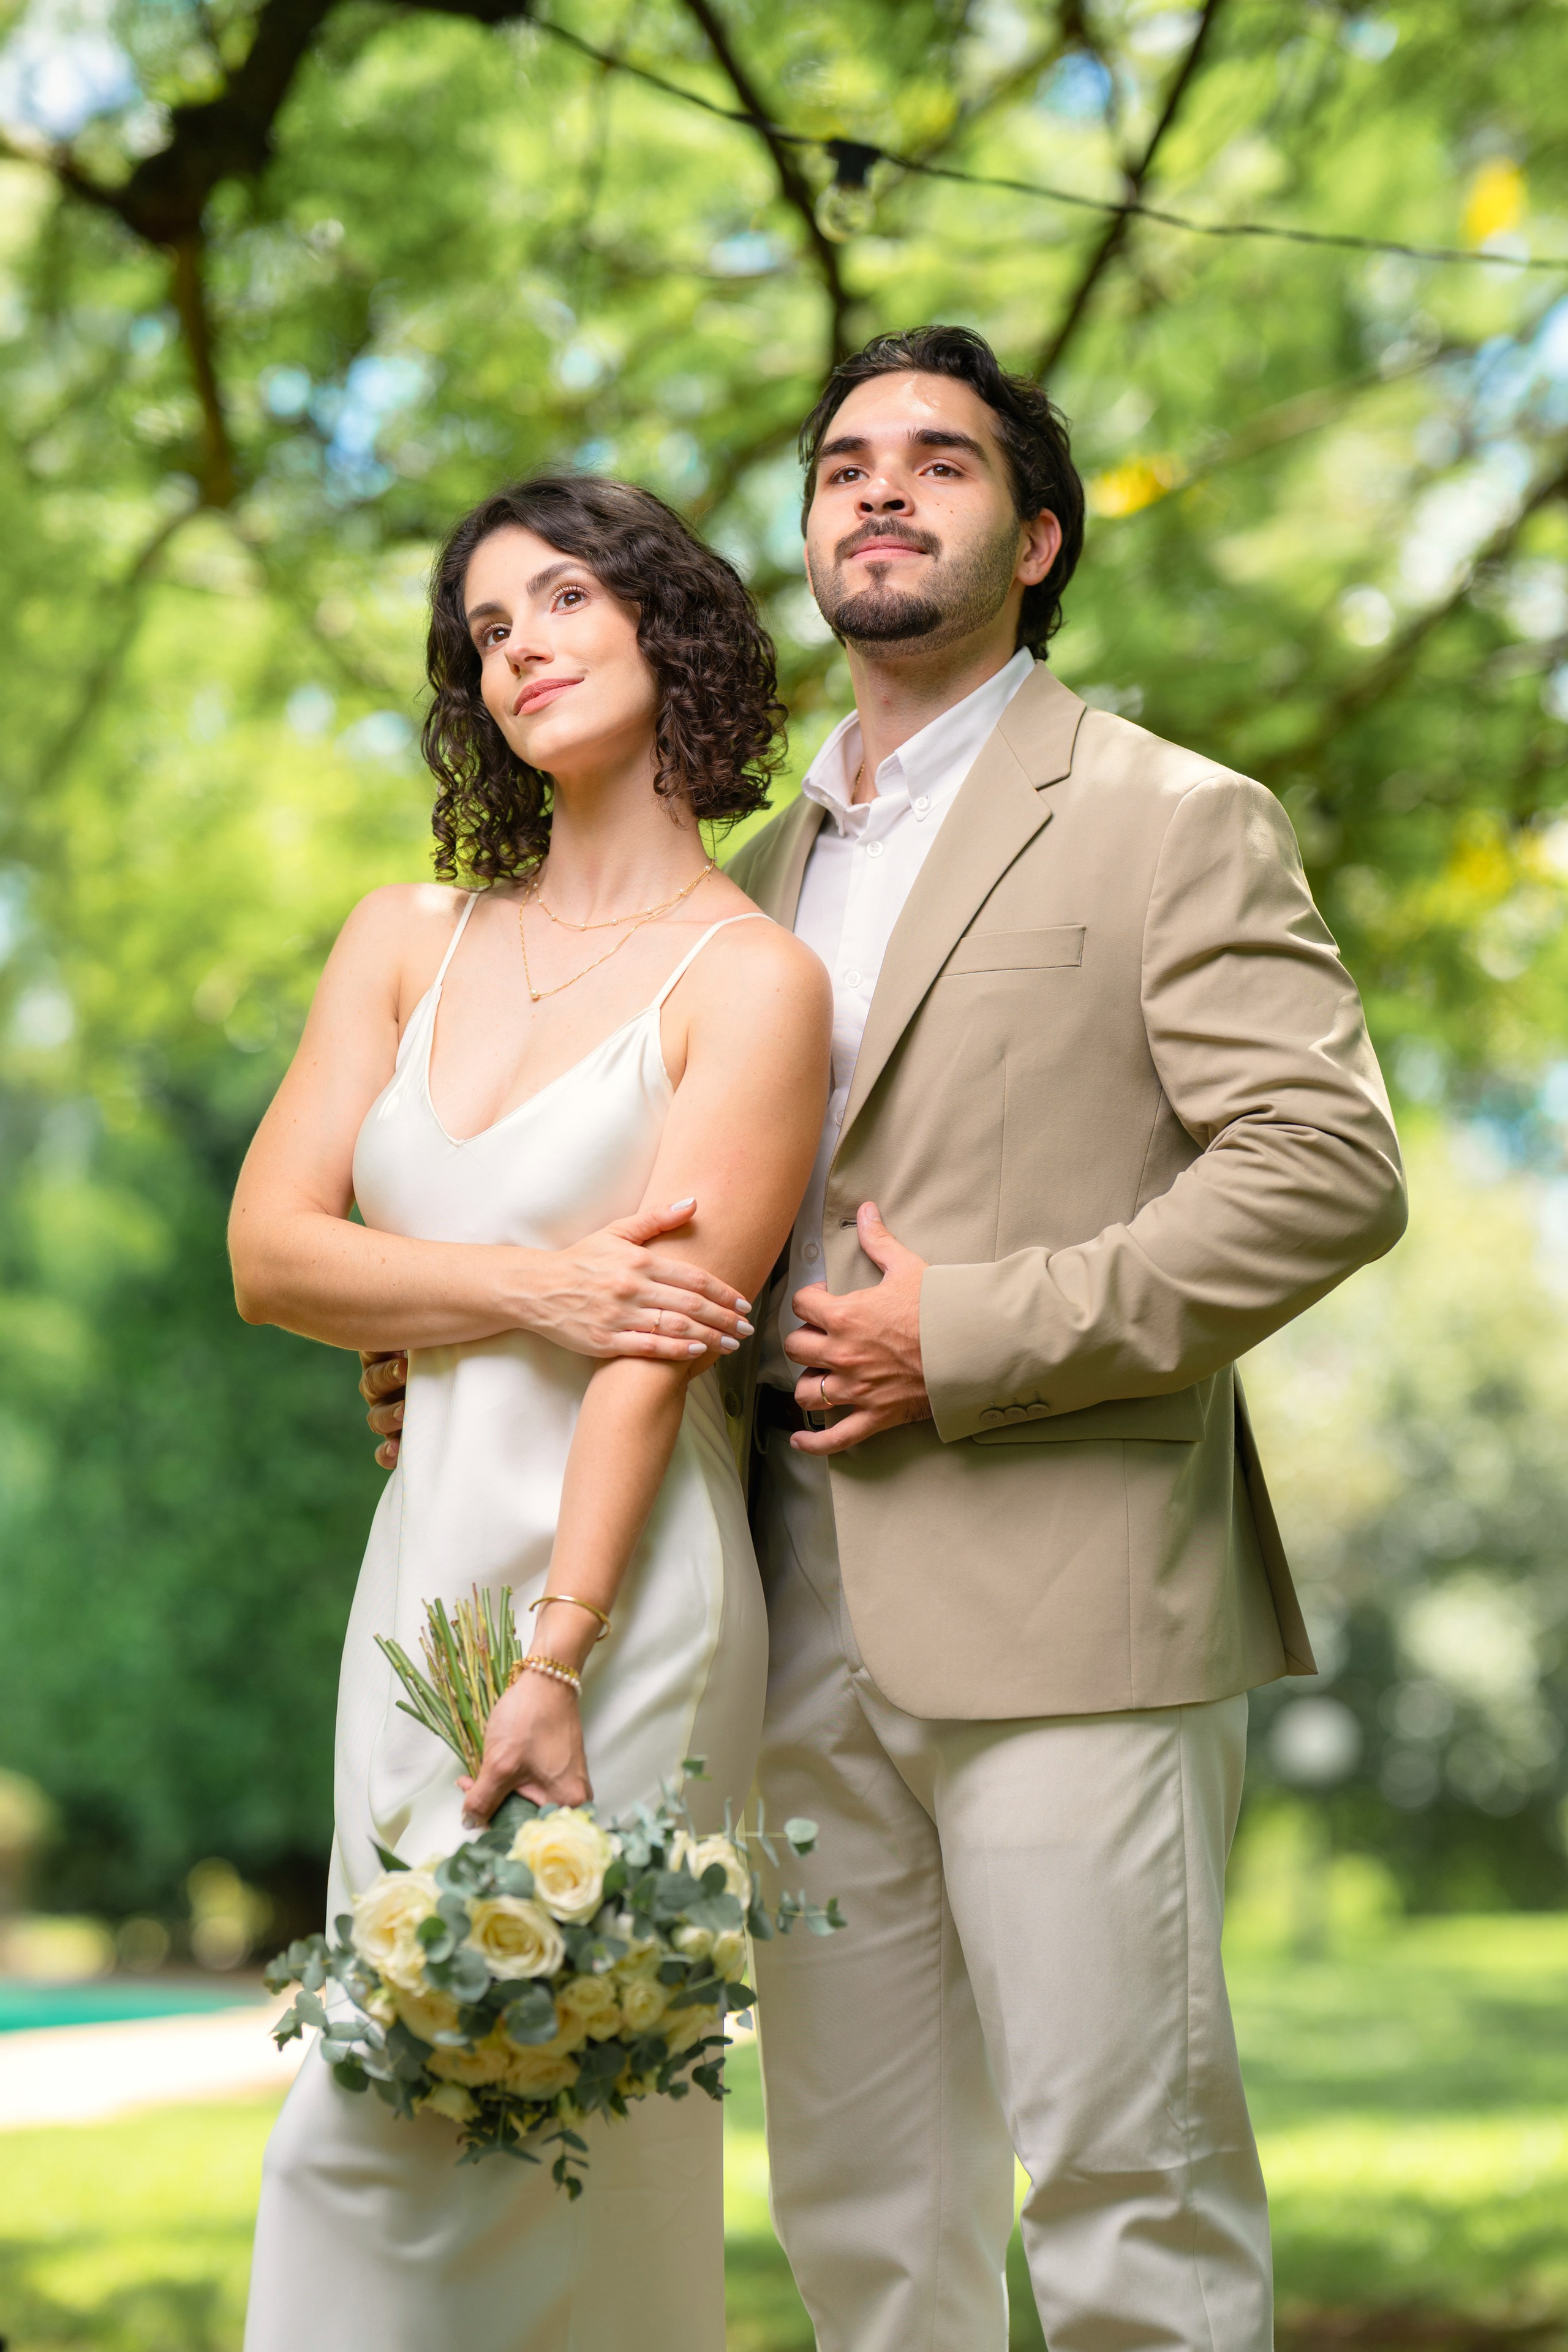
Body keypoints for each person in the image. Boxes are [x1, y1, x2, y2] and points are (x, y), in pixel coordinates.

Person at [359, 325, 1407, 2352]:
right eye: (846, 461)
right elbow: (633, 1231)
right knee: (863, 2222)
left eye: (941, 460)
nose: (881, 488)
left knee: (1129, 2199)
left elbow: (1323, 1165)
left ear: (1038, 540)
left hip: (1076, 1598)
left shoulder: (1170, 817)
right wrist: (461, 1334)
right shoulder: (735, 878)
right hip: (772, 1610)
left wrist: (983, 1333)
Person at [229, 473, 831, 2352]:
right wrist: (533, 1288)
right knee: (372, 2094)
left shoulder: (755, 982)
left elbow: (656, 1351)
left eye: (565, 598)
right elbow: (271, 1252)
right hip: (414, 1591)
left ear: (670, 628)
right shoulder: (402, 937)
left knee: (581, 2117)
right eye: (487, 630)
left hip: (623, 1601)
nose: (524, 649)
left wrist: (561, 1652)